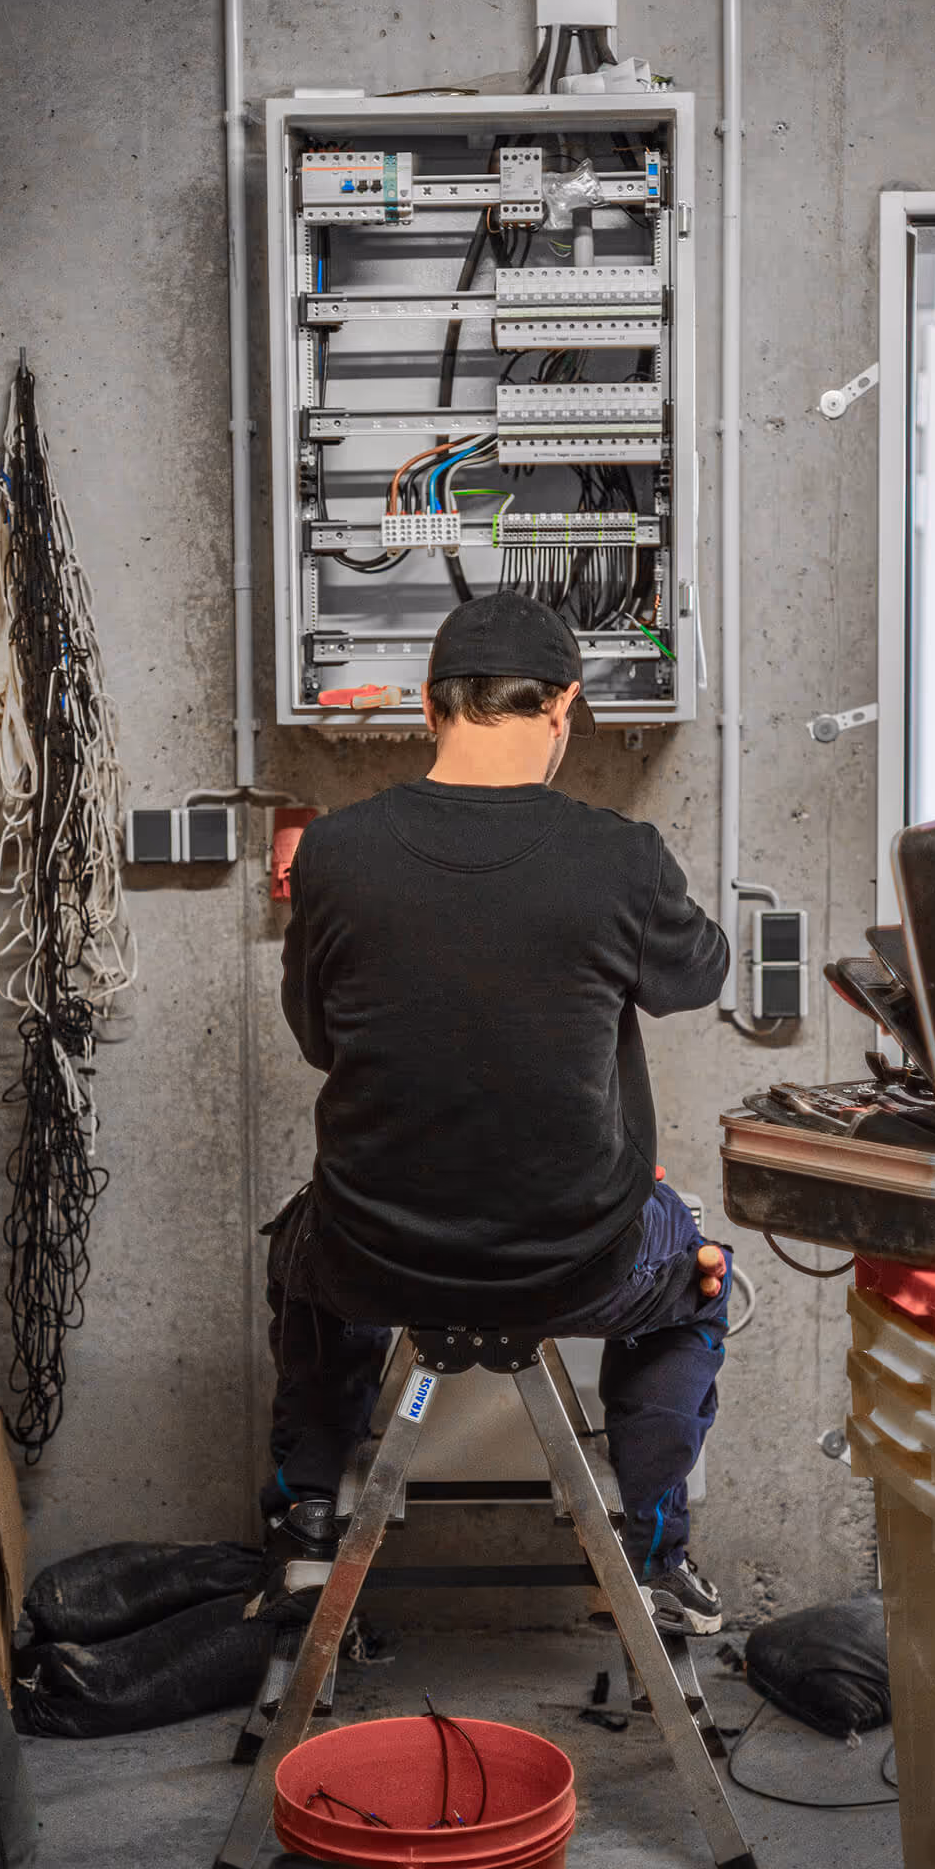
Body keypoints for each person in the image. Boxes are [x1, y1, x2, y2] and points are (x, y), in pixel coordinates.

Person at [262, 591, 732, 1635]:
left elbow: (317, 1039)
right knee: (700, 1272)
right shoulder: (622, 855)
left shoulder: (333, 855)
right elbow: (698, 975)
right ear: (565, 704)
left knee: (300, 1249)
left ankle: (301, 1521)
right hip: (582, 1264)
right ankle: (657, 1553)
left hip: (373, 1257)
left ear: (431, 707)